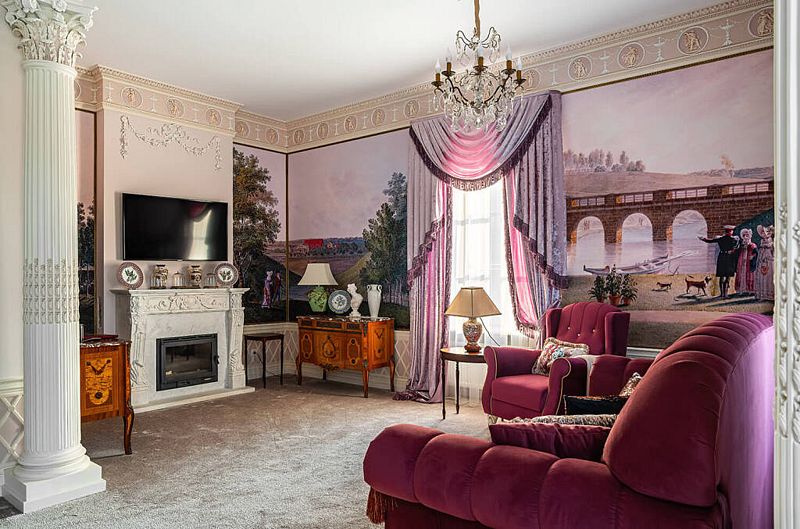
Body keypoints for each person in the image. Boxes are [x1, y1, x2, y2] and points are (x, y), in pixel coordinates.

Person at [698, 225, 738, 299]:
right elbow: (736, 247)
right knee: (727, 277)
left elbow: (710, 241)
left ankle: (723, 294)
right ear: (731, 232)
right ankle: (725, 294)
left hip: (722, 257)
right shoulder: (734, 239)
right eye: (730, 231)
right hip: (729, 258)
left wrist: (703, 239)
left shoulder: (721, 239)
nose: (731, 232)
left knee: (723, 276)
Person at [735, 228, 758, 296]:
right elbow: (737, 253)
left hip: (749, 262)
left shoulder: (752, 245)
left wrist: (753, 256)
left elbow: (756, 253)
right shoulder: (741, 245)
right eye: (744, 235)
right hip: (742, 262)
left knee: (750, 275)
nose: (745, 237)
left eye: (747, 235)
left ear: (750, 236)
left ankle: (750, 290)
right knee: (741, 274)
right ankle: (742, 289)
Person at [754, 225, 774, 301]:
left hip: (769, 260)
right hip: (762, 260)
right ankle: (762, 295)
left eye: (767, 232)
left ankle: (770, 295)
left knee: (769, 277)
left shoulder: (771, 241)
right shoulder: (762, 241)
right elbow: (760, 251)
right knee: (762, 277)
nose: (765, 234)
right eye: (763, 232)